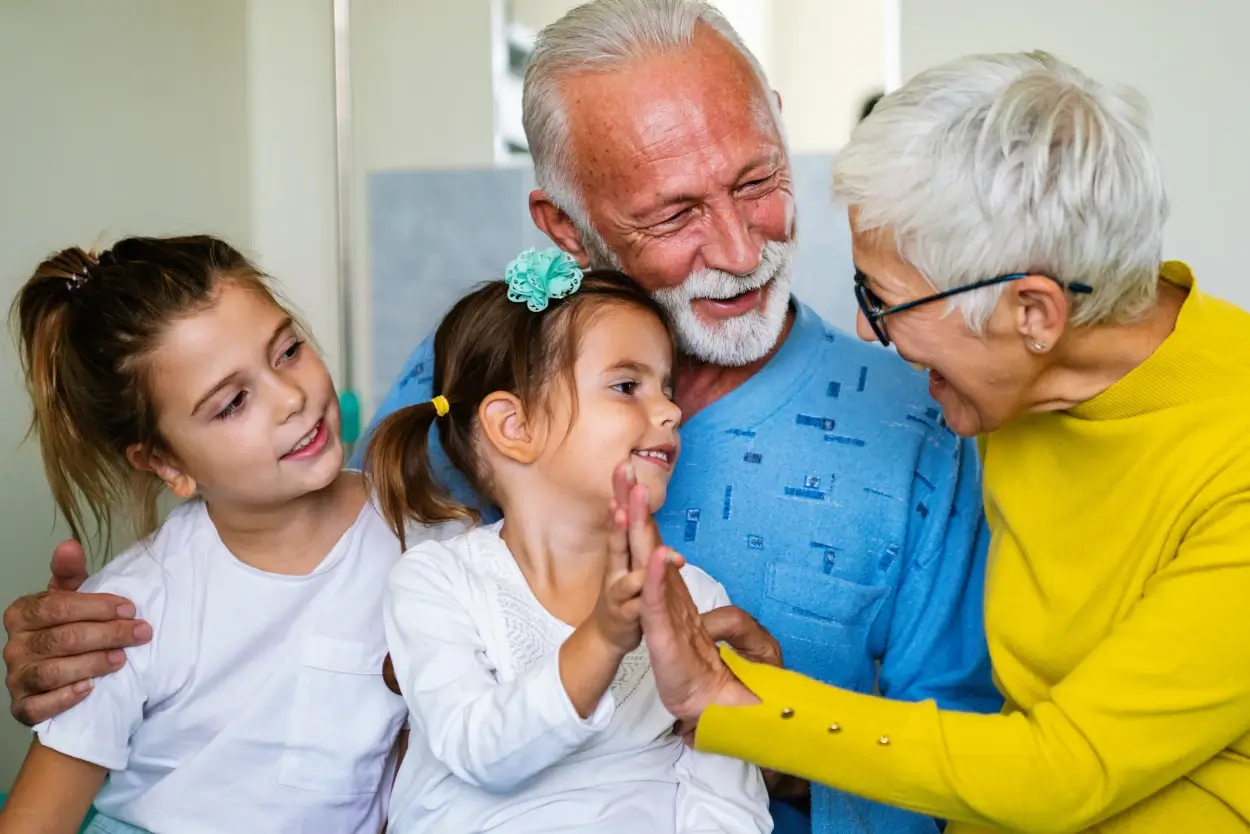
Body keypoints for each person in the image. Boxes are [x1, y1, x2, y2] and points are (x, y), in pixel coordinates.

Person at [1, 3, 999, 833]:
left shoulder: (922, 425)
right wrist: (102, 657)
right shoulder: (453, 384)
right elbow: (284, 603)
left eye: (755, 181)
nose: (738, 247)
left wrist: (776, 739)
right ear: (564, 228)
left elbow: (957, 776)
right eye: (673, 214)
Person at [634, 51, 1250, 833]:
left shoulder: (1232, 459)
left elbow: (1062, 771)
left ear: (1034, 313)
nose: (865, 330)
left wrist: (740, 704)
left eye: (882, 300)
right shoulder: (1021, 380)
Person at [0, 237, 410, 834]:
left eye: (289, 350)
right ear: (166, 464)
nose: (292, 398)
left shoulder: (424, 535)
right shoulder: (126, 614)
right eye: (232, 403)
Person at [366, 250, 772, 833]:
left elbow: (728, 801)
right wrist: (604, 637)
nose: (670, 410)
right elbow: (479, 748)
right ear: (515, 427)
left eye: (667, 387)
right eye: (628, 385)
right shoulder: (437, 582)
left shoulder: (697, 598)